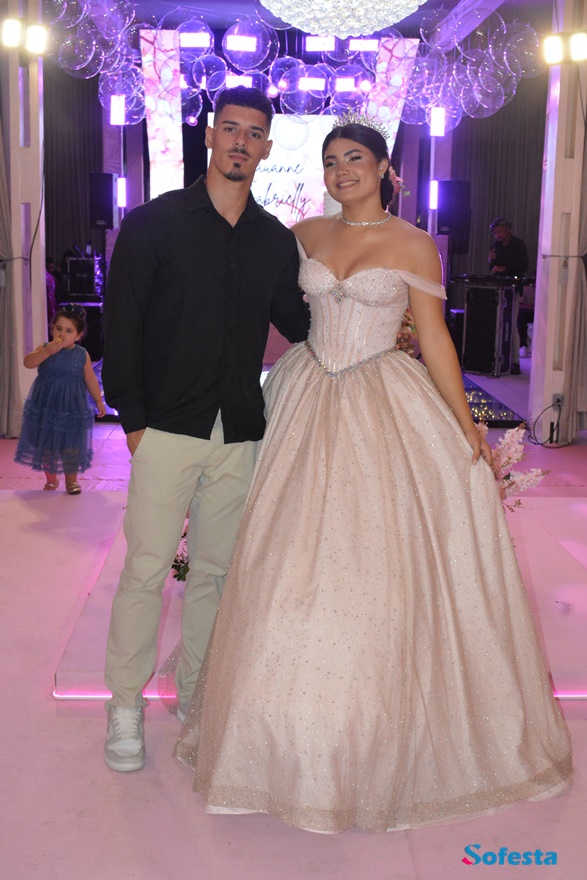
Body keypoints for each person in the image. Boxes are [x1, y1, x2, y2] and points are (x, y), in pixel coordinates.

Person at [175, 117, 572, 834]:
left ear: (385, 167)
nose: (340, 171)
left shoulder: (413, 243)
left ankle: (380, 727)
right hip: (303, 395)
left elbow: (436, 339)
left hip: (381, 399)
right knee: (279, 561)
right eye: (330, 161)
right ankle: (271, 733)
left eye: (354, 158)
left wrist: (466, 426)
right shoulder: (303, 234)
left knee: (374, 561)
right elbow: (261, 310)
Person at [101, 87, 409, 773]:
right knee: (146, 571)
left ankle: (196, 692)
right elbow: (120, 327)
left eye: (254, 133)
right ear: (211, 136)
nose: (240, 141)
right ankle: (123, 705)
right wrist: (134, 422)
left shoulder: (275, 240)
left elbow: (301, 325)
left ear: (267, 148)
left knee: (215, 575)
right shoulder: (153, 224)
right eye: (230, 129)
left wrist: (370, 297)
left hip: (242, 429)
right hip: (166, 427)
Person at [15, 304, 106, 493]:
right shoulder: (45, 348)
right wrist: (46, 352)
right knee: (47, 445)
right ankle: (51, 480)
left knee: (71, 445)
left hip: (71, 406)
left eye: (68, 331)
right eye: (58, 328)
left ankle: (71, 481)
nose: (62, 334)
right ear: (52, 329)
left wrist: (98, 400)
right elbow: (28, 362)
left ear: (78, 335)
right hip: (47, 404)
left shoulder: (81, 354)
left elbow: (90, 378)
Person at [488, 218, 529, 374]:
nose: (498, 235)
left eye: (499, 232)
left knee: (511, 324)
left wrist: (504, 268)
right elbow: (492, 269)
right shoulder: (496, 246)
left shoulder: (518, 245)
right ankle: (497, 357)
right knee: (497, 323)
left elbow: (523, 266)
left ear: (507, 229)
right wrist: (490, 261)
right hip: (498, 288)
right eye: (495, 233)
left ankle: (515, 361)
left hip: (513, 289)